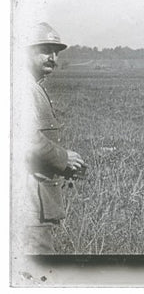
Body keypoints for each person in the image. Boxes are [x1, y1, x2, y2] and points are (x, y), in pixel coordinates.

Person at [25, 23, 87, 253]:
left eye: (56, 52)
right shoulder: (20, 87)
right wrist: (63, 158)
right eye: (45, 50)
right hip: (29, 203)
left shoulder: (32, 86)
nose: (53, 57)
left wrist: (63, 165)